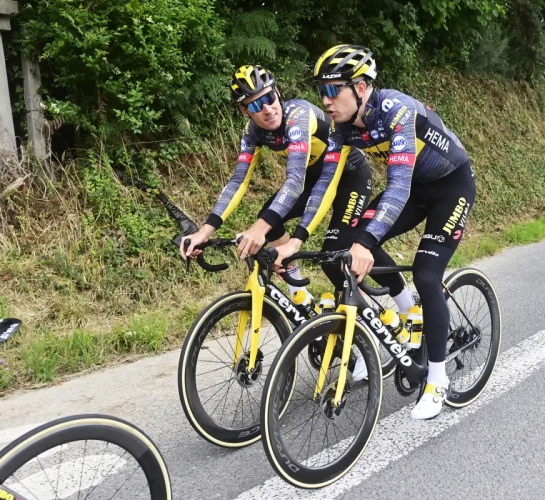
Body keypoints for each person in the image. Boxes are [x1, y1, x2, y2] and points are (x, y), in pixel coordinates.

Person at [273, 45, 477, 420]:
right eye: (322, 91)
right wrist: (298, 238)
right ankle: (407, 314)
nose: (326, 100)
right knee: (343, 244)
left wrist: (367, 243)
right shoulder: (342, 127)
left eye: (334, 90)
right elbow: (324, 187)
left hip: (451, 187)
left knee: (426, 274)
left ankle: (436, 377)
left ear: (362, 87)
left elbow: (396, 188)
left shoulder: (396, 110)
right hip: (415, 189)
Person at [180, 64, 372, 299]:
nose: (267, 109)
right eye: (255, 105)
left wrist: (258, 230)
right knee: (270, 220)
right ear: (244, 111)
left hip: (350, 178)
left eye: (269, 98)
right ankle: (301, 297)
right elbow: (238, 181)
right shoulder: (253, 132)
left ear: (278, 93)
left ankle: (396, 310)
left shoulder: (298, 115)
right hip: (313, 179)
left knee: (333, 256)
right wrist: (204, 232)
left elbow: (294, 181)